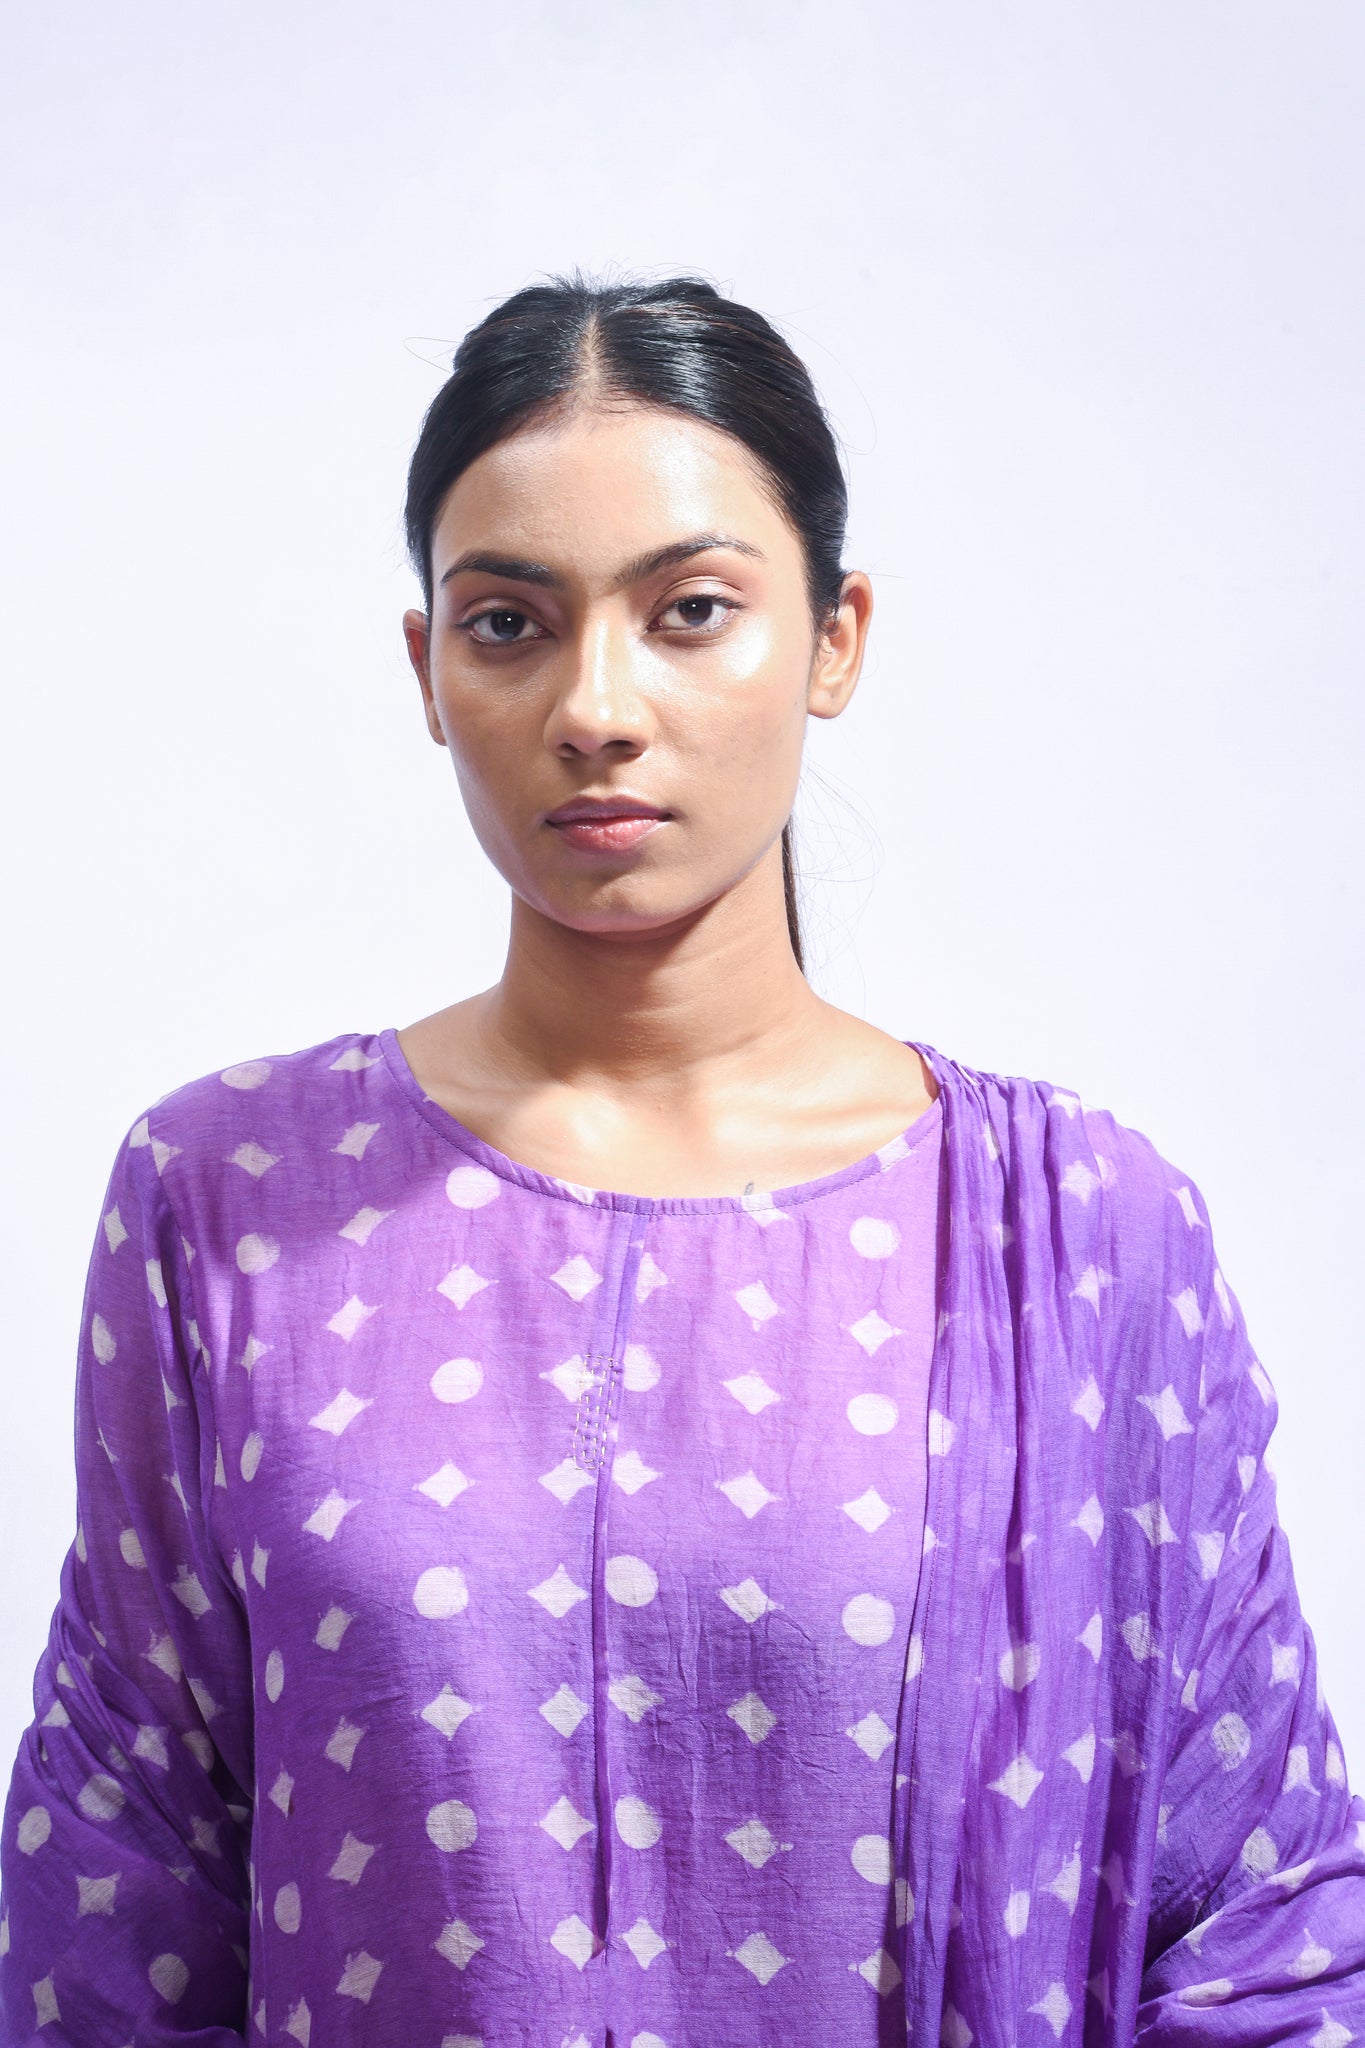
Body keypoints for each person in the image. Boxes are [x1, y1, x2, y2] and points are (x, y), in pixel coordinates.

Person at [1, 274, 1361, 2048]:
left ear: (834, 639)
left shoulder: (1079, 1238)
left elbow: (1264, 1921)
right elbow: (115, 1901)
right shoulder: (232, 1205)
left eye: (690, 612)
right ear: (426, 672)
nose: (596, 706)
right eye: (509, 623)